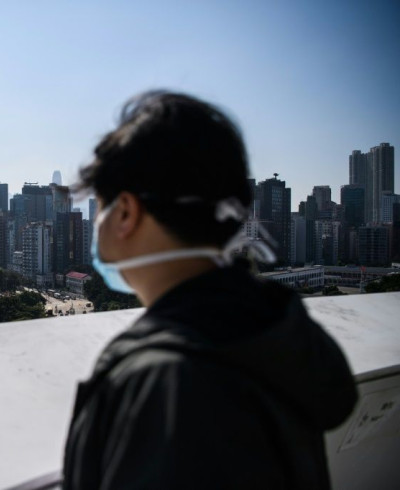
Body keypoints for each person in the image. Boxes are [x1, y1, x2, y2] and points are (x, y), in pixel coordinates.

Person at [62, 91, 357, 489]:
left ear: (127, 213)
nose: (96, 222)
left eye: (100, 205)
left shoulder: (164, 382)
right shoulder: (279, 335)